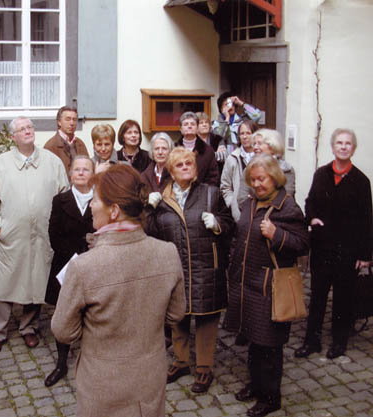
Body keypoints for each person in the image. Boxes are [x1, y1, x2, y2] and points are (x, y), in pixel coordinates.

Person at [52, 164, 186, 417]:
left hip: (103, 384)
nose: (90, 205)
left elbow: (63, 330)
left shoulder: (83, 267)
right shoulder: (167, 253)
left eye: (94, 199)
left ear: (113, 211)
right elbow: (176, 314)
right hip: (149, 377)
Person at [224, 154, 309, 417]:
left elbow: (303, 244)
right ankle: (256, 384)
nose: (257, 184)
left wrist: (277, 234)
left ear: (275, 178)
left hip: (270, 287)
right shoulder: (251, 202)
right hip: (248, 283)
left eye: (262, 179)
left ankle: (271, 397)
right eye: (253, 179)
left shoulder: (288, 207)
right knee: (254, 338)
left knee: (269, 344)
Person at [146, 147, 234, 394]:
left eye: (189, 163)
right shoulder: (161, 199)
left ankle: (205, 367)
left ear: (196, 169)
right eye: (180, 165)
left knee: (207, 317)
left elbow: (230, 224)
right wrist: (147, 208)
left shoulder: (211, 194)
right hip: (175, 267)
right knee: (178, 317)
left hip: (206, 266)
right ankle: (182, 362)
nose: (186, 167)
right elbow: (148, 231)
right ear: (171, 172)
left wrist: (217, 224)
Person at [0, 117, 69, 355]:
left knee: (35, 281)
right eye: (22, 129)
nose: (28, 131)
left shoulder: (52, 163)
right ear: (13, 137)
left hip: (42, 236)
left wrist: (57, 231)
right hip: (11, 237)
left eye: (30, 127)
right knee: (3, 286)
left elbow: (64, 197)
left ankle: (28, 327)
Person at [295, 128, 372, 360]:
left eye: (348, 143)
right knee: (317, 296)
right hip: (323, 247)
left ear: (353, 148)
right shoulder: (321, 174)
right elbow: (309, 202)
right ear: (333, 146)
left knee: (343, 298)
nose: (343, 146)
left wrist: (365, 254)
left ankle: (339, 342)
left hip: (348, 250)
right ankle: (312, 341)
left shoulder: (361, 181)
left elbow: (367, 218)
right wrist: (312, 218)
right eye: (339, 142)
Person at [44, 155, 95, 387]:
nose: (82, 173)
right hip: (66, 265)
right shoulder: (60, 200)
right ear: (71, 174)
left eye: (86, 169)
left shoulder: (101, 199)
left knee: (93, 314)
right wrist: (75, 257)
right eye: (77, 170)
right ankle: (62, 362)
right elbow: (53, 235)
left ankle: (92, 361)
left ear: (92, 174)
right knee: (64, 313)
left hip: (95, 264)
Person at [220, 120, 257, 222]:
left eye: (248, 133)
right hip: (239, 213)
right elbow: (225, 186)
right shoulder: (232, 158)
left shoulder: (262, 157)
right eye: (242, 133)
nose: (245, 137)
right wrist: (232, 203)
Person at [174, 112, 220, 186]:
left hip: (201, 194)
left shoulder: (208, 151)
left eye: (192, 124)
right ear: (181, 129)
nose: (189, 126)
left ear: (197, 128)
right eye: (186, 124)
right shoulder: (174, 150)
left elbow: (213, 178)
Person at [44, 106, 89, 175]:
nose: (71, 123)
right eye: (68, 119)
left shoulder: (80, 144)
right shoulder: (51, 146)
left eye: (74, 119)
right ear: (59, 122)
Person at [252, 128, 296, 197]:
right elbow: (242, 197)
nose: (255, 147)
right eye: (254, 144)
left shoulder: (286, 169)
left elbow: (286, 196)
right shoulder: (249, 168)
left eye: (259, 143)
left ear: (272, 146)